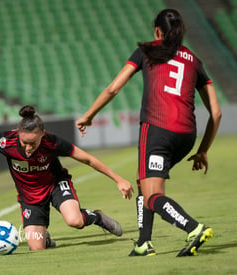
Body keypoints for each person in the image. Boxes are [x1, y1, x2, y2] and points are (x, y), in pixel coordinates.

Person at [76, 9, 222, 257]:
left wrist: (88, 116)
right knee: (142, 179)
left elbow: (113, 89)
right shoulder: (194, 61)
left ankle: (193, 228)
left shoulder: (148, 50)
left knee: (152, 194)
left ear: (157, 31)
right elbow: (216, 113)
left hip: (157, 130)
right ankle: (144, 243)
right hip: (187, 135)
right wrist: (203, 151)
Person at [0, 105, 134, 251]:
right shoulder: (7, 141)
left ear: (42, 134)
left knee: (74, 221)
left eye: (33, 143)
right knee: (37, 247)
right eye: (24, 143)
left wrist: (119, 179)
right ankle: (45, 238)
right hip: (30, 198)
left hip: (55, 185)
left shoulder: (52, 142)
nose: (28, 148)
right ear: (18, 134)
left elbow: (88, 159)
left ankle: (96, 217)